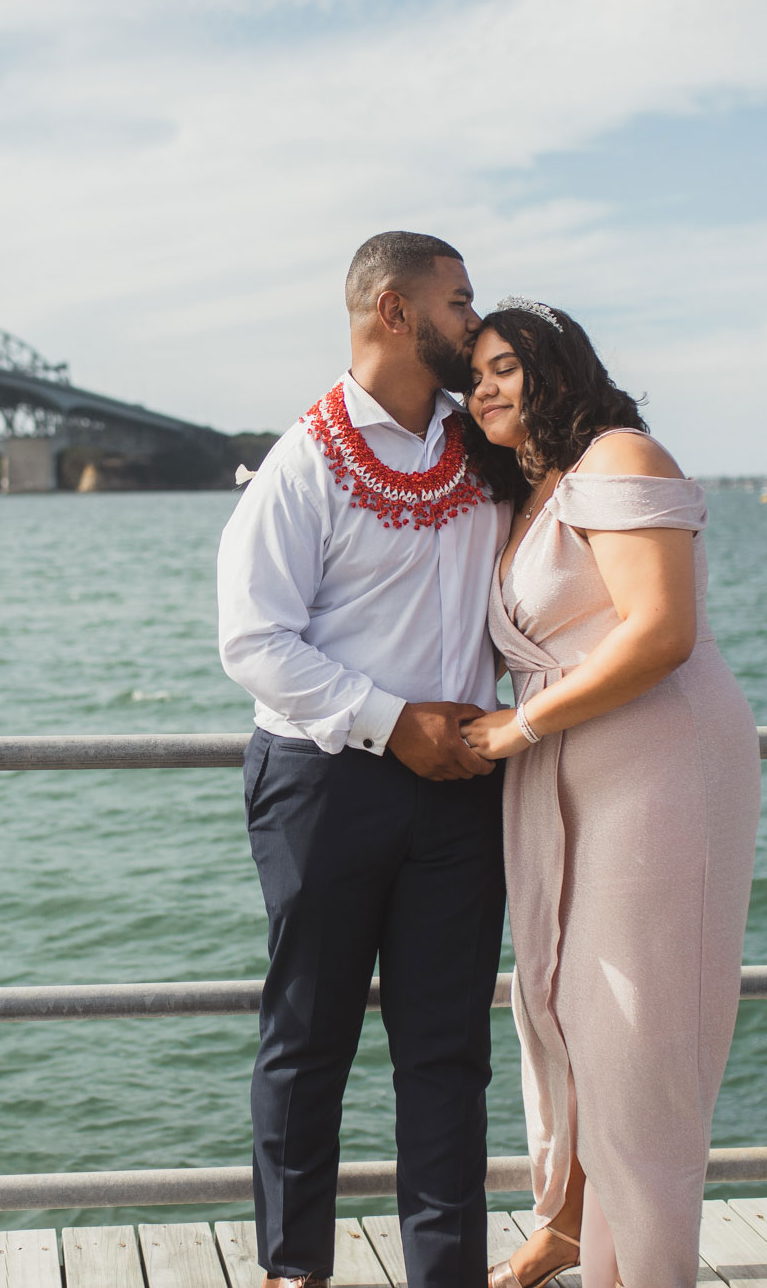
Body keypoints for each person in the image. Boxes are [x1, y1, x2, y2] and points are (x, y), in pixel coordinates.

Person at [216, 231, 507, 1288]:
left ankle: (445, 1276)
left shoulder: (484, 448)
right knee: (306, 1037)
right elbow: (250, 641)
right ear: (394, 311)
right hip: (324, 783)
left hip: (467, 788)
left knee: (446, 1054)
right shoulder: (301, 462)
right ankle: (294, 1271)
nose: (473, 320)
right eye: (458, 300)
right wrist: (393, 722)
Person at [457, 300, 761, 1288]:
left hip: (657, 764)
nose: (484, 389)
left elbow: (660, 628)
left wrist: (516, 725)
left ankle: (647, 1270)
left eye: (503, 366)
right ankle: (575, 1226)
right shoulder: (529, 490)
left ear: (557, 367)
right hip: (561, 777)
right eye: (473, 377)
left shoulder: (619, 458)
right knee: (562, 1010)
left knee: (638, 1037)